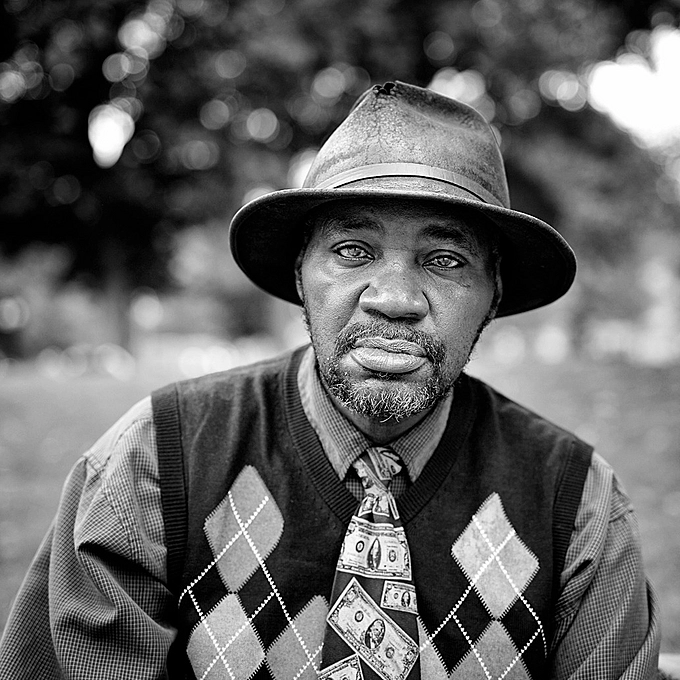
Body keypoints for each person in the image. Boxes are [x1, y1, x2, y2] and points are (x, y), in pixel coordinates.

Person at [0, 80, 663, 679]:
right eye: (352, 251)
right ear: (300, 275)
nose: (394, 299)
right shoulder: (157, 461)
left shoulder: (575, 505)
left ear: (493, 295)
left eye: (444, 259)